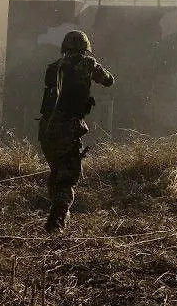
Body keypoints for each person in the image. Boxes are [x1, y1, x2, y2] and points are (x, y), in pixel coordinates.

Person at [38, 30, 114, 233]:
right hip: (68, 127)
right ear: (84, 47)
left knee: (57, 172)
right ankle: (56, 222)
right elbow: (108, 80)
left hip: (46, 129)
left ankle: (56, 215)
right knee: (68, 176)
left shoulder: (54, 67)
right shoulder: (87, 63)